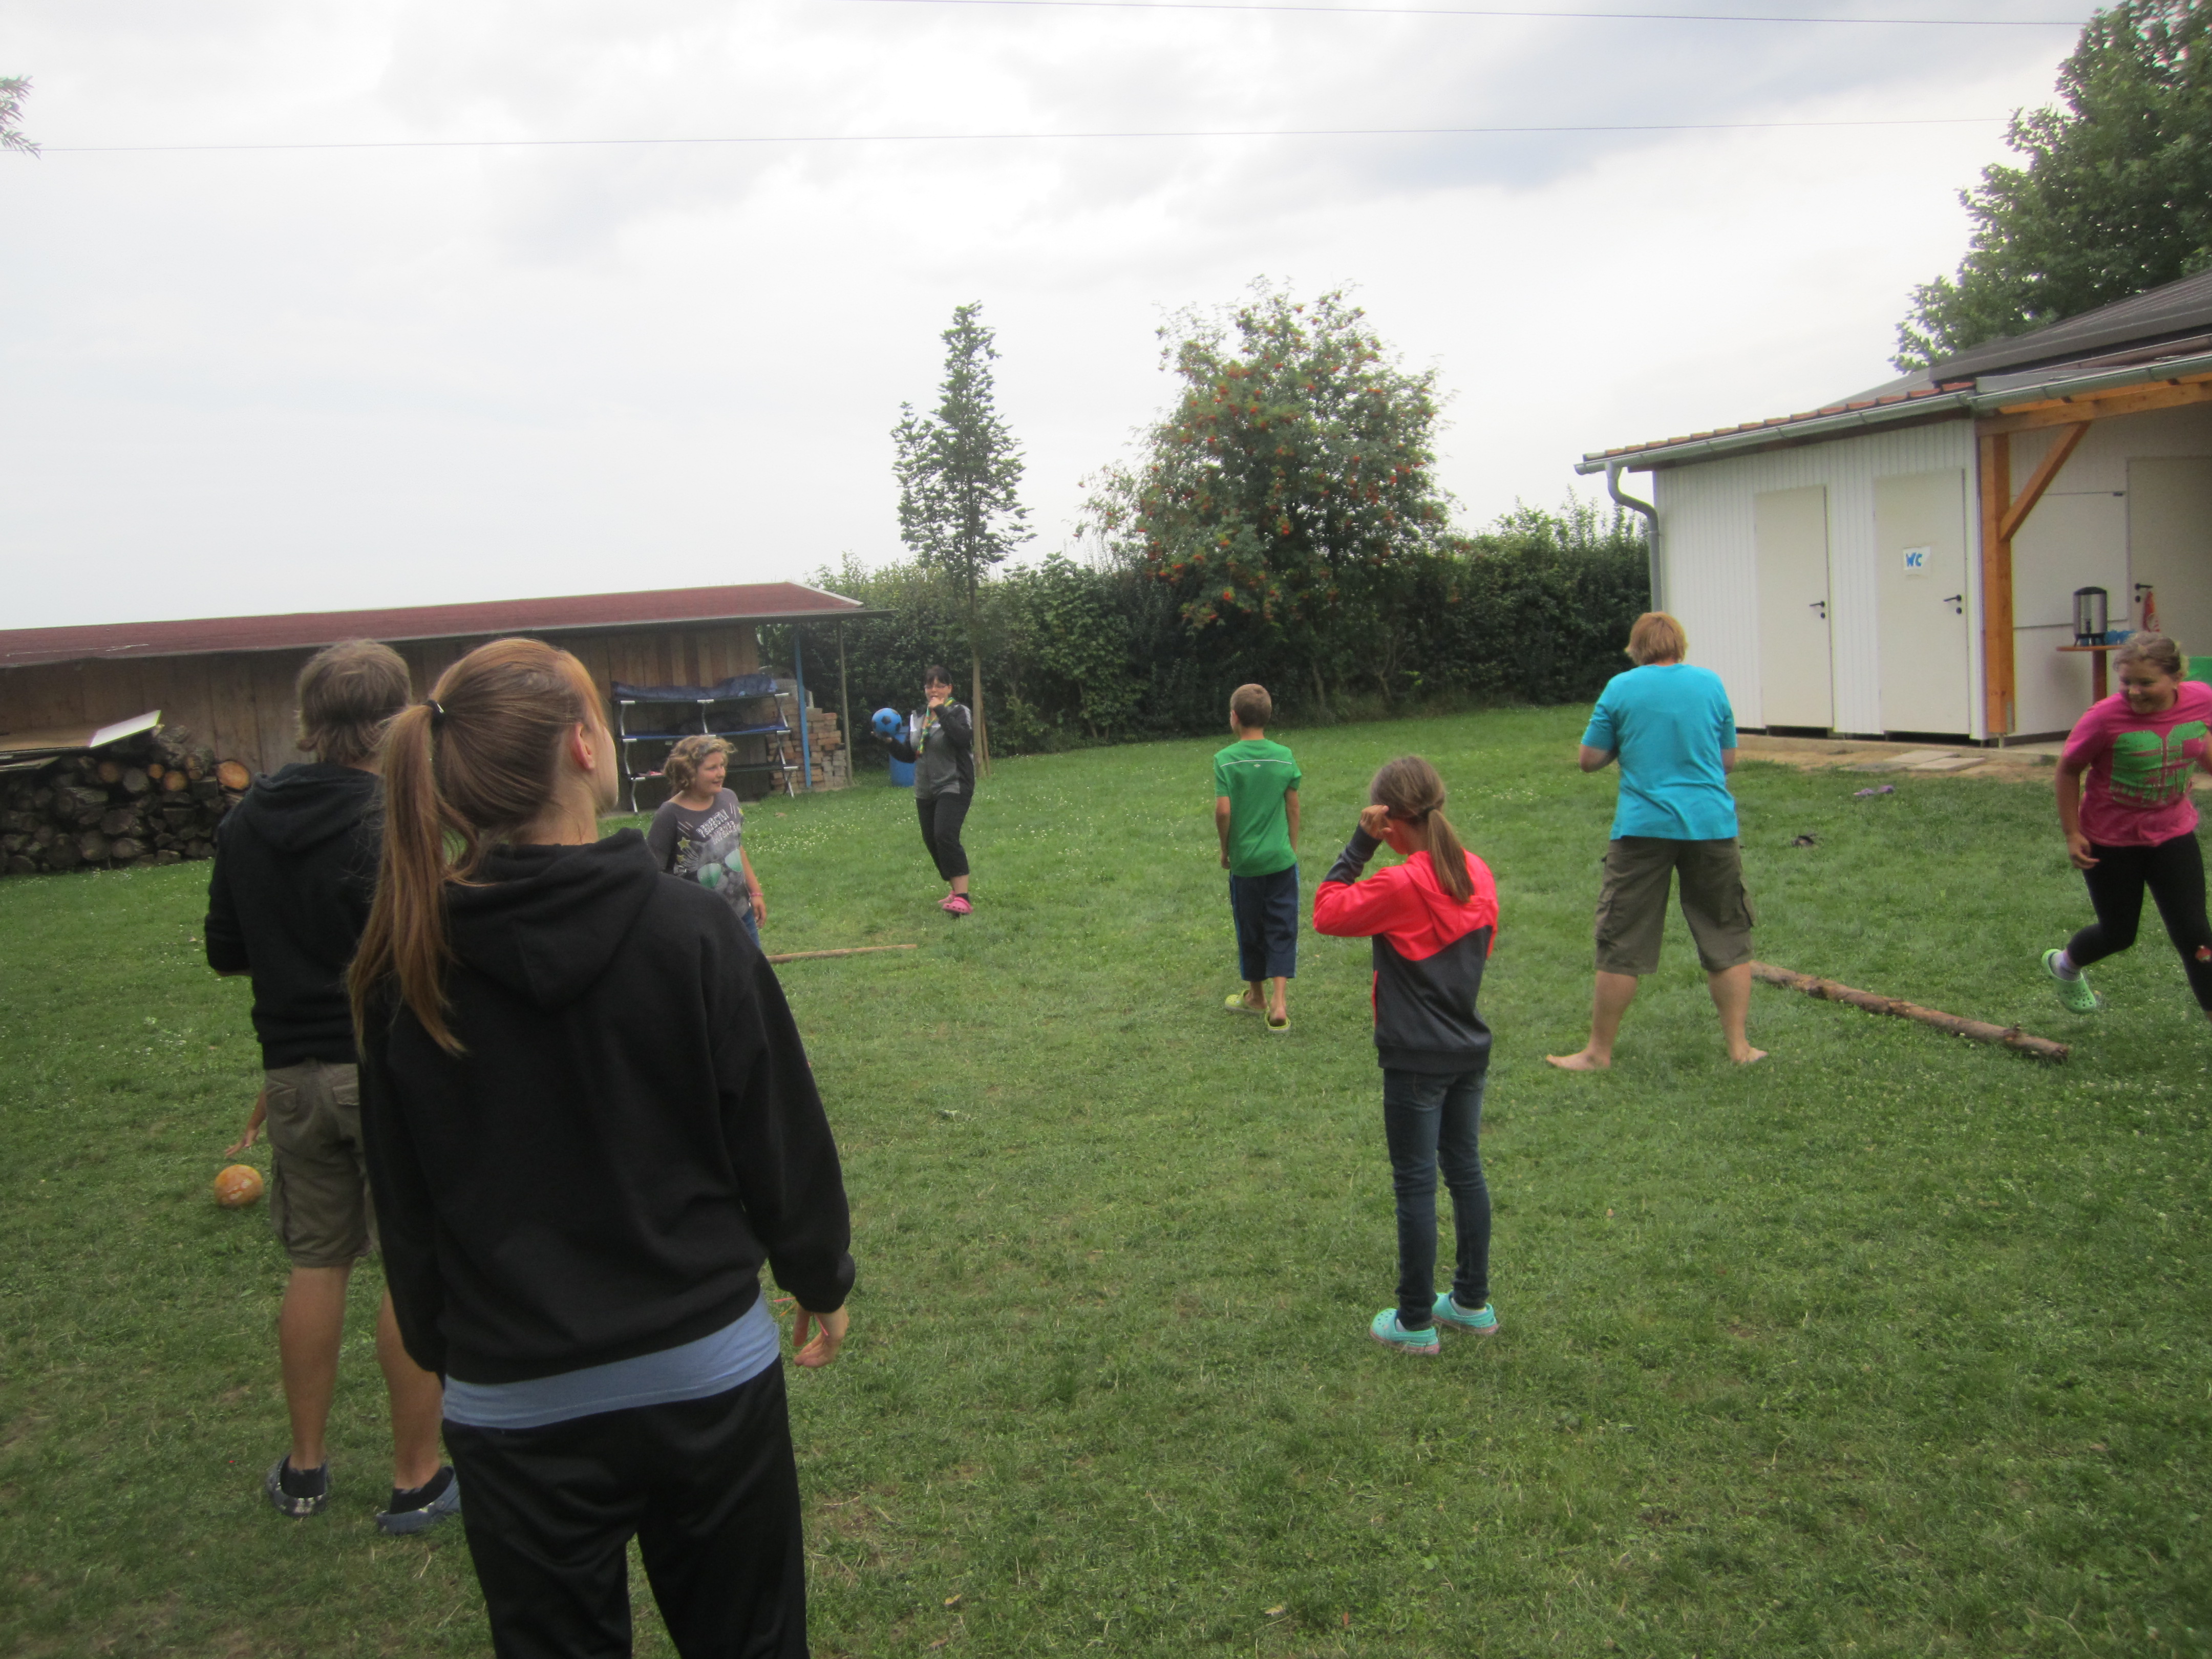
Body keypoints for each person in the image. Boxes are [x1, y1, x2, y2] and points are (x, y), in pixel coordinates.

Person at [352, 637, 853, 1658]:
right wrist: (819, 1275)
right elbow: (780, 1133)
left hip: (514, 1398)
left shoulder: (402, 968)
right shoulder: (690, 932)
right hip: (699, 1383)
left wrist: (452, 1348)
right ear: (585, 747)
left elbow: (402, 1203)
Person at [202, 639, 456, 1533]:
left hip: (292, 1076)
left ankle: (305, 1470)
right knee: (409, 1265)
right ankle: (416, 1478)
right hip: (382, 1074)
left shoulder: (247, 821)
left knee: (317, 1263)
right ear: (394, 718)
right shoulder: (393, 818)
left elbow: (226, 951)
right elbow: (436, 951)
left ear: (309, 719)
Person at [1314, 757, 1502, 1358]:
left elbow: (1326, 911)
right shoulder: (1477, 872)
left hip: (1416, 1058)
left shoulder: (1399, 886)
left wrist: (1359, 846)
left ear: (1389, 820)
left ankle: (1415, 1321)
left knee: (1416, 1184)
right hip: (1467, 1050)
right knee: (1465, 1169)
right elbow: (1482, 949)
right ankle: (1470, 1303)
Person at [1546, 611, 1765, 1071]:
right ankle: (1740, 1048)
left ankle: (1598, 1053)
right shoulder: (1711, 684)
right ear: (1679, 645)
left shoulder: (1621, 688)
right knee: (1726, 933)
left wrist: (1626, 746)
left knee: (1622, 937)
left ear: (1636, 648)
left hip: (1642, 828)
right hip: (1711, 825)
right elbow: (1727, 761)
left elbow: (1589, 760)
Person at [2042, 632, 2212, 1022]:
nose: (2134, 692)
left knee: (2196, 935)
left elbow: (2198, 736)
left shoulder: (2201, 699)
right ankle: (2064, 965)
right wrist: (2072, 833)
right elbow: (2069, 769)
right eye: (2127, 682)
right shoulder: (2104, 718)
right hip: (2110, 839)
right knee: (2119, 934)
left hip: (2172, 832)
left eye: (2146, 683)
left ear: (2176, 678)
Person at [1213, 683, 1301, 1031]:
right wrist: (1291, 846)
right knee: (1282, 924)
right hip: (1281, 860)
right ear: (1268, 717)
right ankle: (1279, 1003)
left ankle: (1256, 997)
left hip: (1246, 864)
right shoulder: (1285, 756)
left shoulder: (1225, 759)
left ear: (1234, 717)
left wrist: (1226, 849)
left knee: (1250, 926)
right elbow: (1293, 806)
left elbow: (1223, 811)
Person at [648, 734, 766, 948]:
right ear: (688, 773)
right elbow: (653, 875)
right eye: (712, 768)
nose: (721, 773)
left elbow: (736, 846)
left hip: (741, 912)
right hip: (699, 922)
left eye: (722, 765)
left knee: (753, 966)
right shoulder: (670, 815)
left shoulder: (728, 798)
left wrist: (755, 892)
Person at [887, 665, 976, 914]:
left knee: (945, 835)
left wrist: (941, 710)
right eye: (929, 685)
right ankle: (954, 890)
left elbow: (962, 738)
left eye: (939, 685)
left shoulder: (958, 711)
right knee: (932, 840)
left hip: (954, 783)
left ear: (950, 688)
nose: (933, 690)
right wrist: (888, 741)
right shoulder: (918, 717)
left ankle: (963, 898)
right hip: (925, 788)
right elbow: (910, 754)